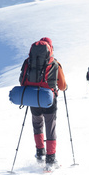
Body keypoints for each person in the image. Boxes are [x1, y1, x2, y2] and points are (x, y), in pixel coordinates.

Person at [19, 37, 67, 167]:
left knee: (37, 125)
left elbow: (22, 81)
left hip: (34, 99)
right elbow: (62, 86)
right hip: (49, 99)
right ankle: (51, 159)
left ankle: (40, 153)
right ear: (50, 49)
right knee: (50, 127)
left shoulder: (28, 62)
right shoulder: (55, 64)